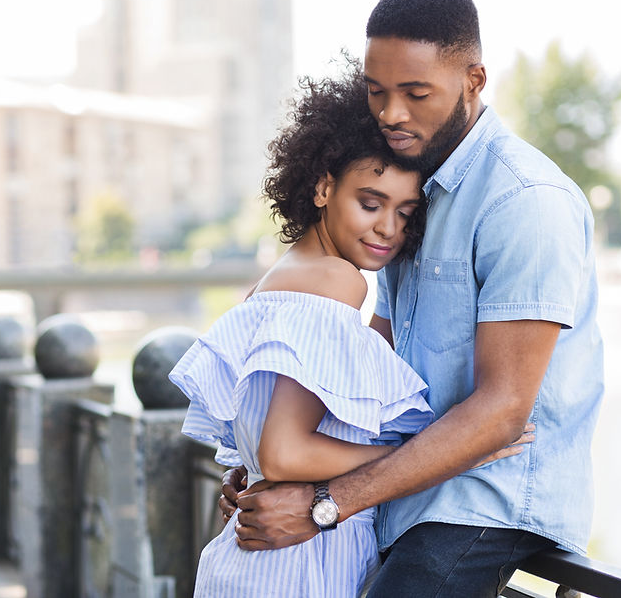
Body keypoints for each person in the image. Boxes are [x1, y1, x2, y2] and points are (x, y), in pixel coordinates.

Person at [221, 0, 605, 598]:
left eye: (415, 92)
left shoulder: (525, 200)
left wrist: (324, 503)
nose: (391, 114)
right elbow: (364, 366)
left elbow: (503, 411)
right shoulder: (411, 194)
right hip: (405, 495)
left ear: (474, 80)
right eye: (377, 93)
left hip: (487, 508)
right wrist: (267, 465)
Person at [168, 66, 531, 597]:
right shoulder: (336, 282)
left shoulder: (272, 284)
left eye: (407, 213)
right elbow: (283, 455)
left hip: (257, 561)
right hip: (295, 565)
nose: (389, 228)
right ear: (322, 187)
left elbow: (255, 448)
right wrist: (436, 453)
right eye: (370, 203)